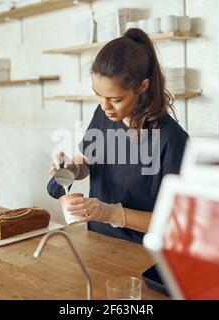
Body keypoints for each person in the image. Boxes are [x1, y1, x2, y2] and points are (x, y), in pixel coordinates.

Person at [48, 28, 189, 244]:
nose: (105, 106)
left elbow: (174, 221)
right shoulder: (104, 116)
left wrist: (113, 214)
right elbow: (87, 161)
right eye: (99, 95)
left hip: (142, 254)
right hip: (97, 241)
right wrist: (72, 168)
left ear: (142, 86)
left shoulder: (172, 140)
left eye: (115, 99)